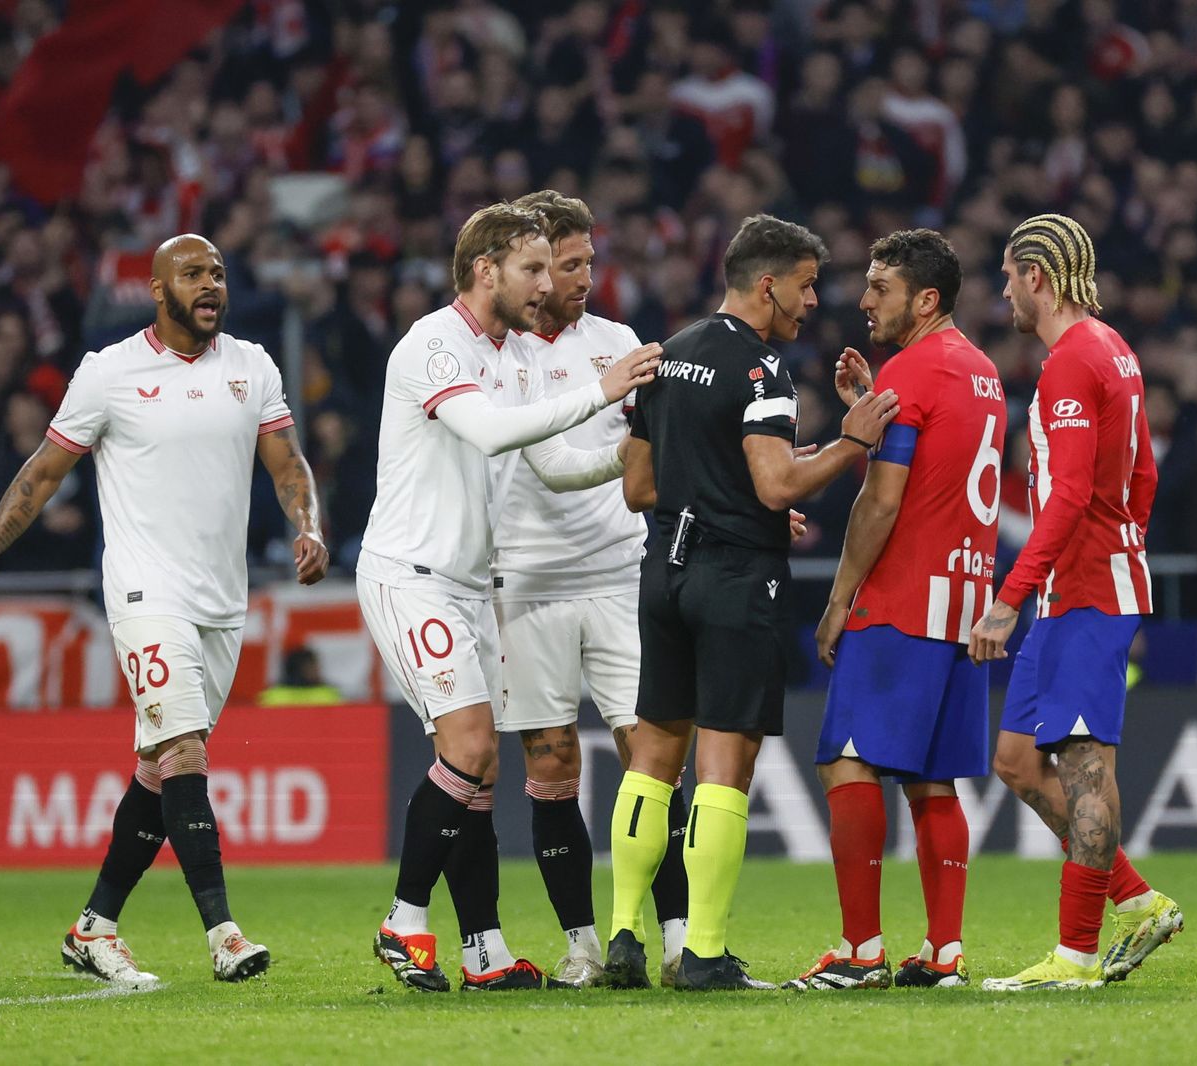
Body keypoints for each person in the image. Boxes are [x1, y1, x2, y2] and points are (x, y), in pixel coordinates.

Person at [0, 234, 329, 986]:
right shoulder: (110, 373)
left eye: (218, 274)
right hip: (145, 591)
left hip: (220, 600)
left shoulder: (253, 366)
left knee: (157, 765)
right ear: (156, 288)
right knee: (184, 752)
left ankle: (94, 928)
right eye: (194, 274)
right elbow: (41, 477)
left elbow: (287, 462)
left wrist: (309, 526)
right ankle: (225, 934)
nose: (211, 285)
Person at [357, 202, 659, 993]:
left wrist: (644, 452)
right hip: (410, 572)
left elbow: (555, 465)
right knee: (469, 747)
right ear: (486, 268)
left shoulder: (509, 356)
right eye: (533, 268)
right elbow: (490, 434)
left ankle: (482, 953)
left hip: (469, 582)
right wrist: (602, 391)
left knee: (479, 769)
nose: (548, 283)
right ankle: (403, 919)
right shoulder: (433, 343)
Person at [605, 214, 899, 991]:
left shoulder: (669, 355)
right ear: (766, 284)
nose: (812, 301)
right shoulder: (765, 370)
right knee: (724, 767)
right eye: (805, 285)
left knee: (651, 760)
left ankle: (624, 938)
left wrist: (734, 498)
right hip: (735, 581)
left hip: (663, 571)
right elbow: (774, 483)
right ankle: (702, 953)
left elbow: (640, 485)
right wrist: (851, 440)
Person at [785, 229, 1004, 992]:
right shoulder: (981, 373)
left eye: (880, 287)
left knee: (847, 761)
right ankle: (943, 954)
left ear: (926, 299)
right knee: (931, 780)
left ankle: (858, 952)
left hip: (902, 598)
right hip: (962, 603)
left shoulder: (912, 374)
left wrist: (840, 598)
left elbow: (883, 502)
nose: (863, 299)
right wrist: (872, 403)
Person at [969, 214, 1182, 991]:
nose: (1002, 290)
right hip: (1080, 586)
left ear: (1038, 278)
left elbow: (1070, 499)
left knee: (1085, 768)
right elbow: (1145, 476)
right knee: (1018, 762)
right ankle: (1136, 899)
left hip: (1084, 592)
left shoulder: (1069, 363)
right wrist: (1124, 540)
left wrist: (1006, 599)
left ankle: (1077, 956)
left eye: (1007, 274)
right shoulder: (1113, 350)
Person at [489, 189, 690, 987]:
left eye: (584, 262)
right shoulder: (498, 356)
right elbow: (555, 465)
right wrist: (623, 452)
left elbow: (668, 451)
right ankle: (581, 944)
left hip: (616, 573)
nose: (579, 277)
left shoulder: (621, 343)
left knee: (652, 756)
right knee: (550, 762)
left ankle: (670, 937)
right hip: (528, 578)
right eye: (563, 265)